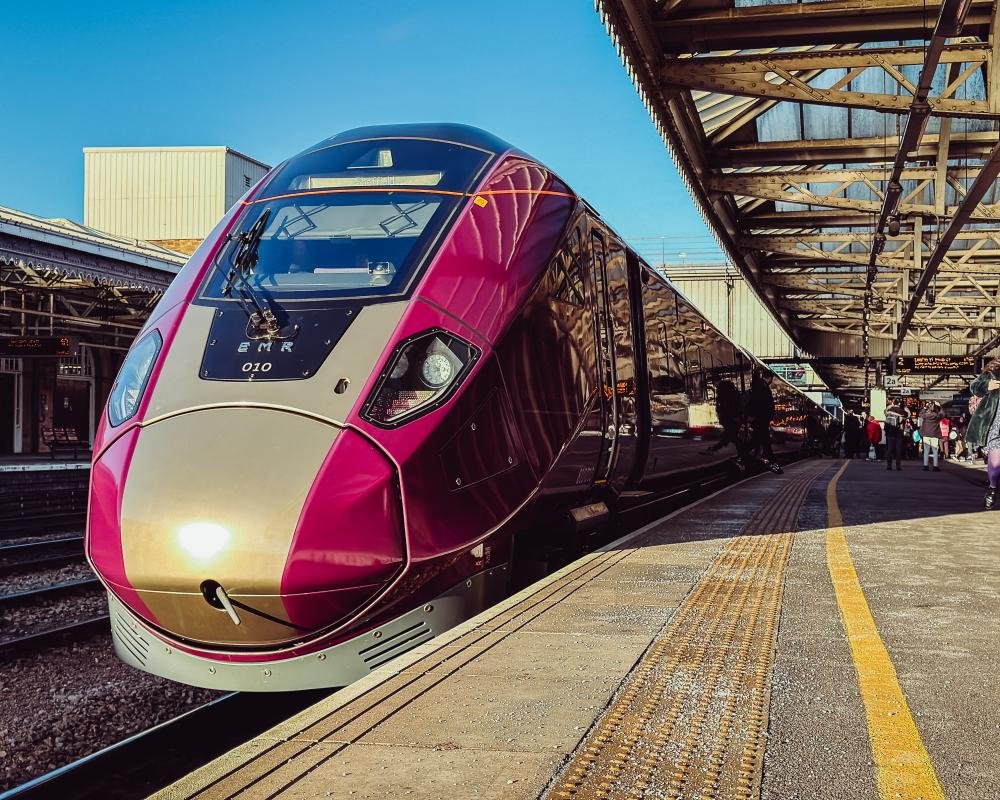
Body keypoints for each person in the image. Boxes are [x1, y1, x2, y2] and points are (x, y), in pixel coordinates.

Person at [964, 358, 1000, 509]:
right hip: (994, 426)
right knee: (996, 464)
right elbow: (974, 387)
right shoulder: (991, 374)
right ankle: (992, 489)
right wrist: (987, 386)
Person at [748, 368, 783, 474]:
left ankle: (744, 457)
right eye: (772, 378)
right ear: (770, 378)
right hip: (760, 419)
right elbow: (760, 404)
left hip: (761, 419)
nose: (772, 380)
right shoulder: (761, 387)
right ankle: (772, 463)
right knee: (765, 442)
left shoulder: (760, 386)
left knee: (758, 441)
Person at [703, 379, 745, 463]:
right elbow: (736, 407)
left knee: (731, 437)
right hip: (732, 419)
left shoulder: (724, 396)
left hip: (729, 419)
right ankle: (743, 454)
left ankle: (714, 449)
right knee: (731, 437)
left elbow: (724, 408)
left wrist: (728, 416)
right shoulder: (734, 394)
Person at [918, 401, 943, 472]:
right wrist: (940, 407)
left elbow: (920, 414)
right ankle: (935, 466)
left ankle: (925, 466)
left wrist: (925, 407)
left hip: (926, 434)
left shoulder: (925, 415)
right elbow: (943, 414)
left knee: (926, 451)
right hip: (934, 434)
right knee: (935, 451)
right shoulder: (937, 415)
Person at [884, 400, 905, 471]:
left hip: (889, 433)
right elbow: (907, 415)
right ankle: (898, 466)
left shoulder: (889, 410)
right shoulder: (901, 410)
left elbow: (885, 411)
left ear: (893, 403)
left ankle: (889, 465)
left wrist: (890, 406)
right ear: (899, 403)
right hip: (898, 432)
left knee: (889, 449)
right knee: (898, 449)